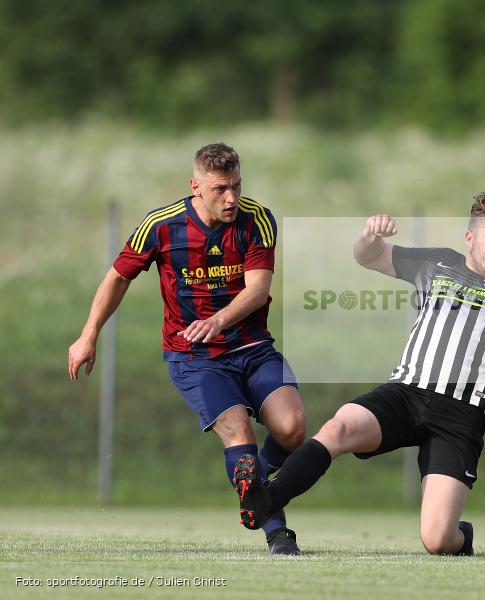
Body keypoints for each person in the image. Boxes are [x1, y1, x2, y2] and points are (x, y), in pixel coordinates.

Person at [229, 189, 485, 555]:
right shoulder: (438, 263)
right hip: (406, 394)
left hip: (460, 415)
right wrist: (370, 236)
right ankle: (268, 499)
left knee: (438, 540)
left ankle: (462, 536)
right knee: (339, 427)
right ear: (470, 238)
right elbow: (369, 256)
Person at [67, 143, 307, 555]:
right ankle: (276, 533)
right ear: (195, 186)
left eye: (236, 186)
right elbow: (117, 277)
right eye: (219, 189)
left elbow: (258, 289)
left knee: (292, 428)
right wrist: (89, 334)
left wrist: (218, 320)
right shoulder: (161, 225)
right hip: (195, 358)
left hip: (252, 347)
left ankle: (258, 490)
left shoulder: (257, 220)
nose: (231, 197)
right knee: (241, 441)